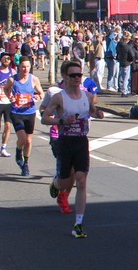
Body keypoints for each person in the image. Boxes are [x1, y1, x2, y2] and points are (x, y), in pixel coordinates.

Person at [41, 60, 106, 238]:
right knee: (64, 183)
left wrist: (97, 113)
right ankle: (56, 183)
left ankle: (78, 223)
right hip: (65, 142)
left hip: (81, 142)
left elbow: (92, 110)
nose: (77, 78)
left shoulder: (87, 96)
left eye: (79, 75)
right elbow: (44, 118)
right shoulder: (59, 97)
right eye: (73, 75)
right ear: (65, 77)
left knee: (81, 181)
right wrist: (61, 120)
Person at [4, 54, 44, 177]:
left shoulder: (33, 79)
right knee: (22, 139)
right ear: (19, 67)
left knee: (28, 140)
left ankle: (25, 163)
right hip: (16, 113)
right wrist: (10, 96)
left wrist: (38, 96)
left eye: (27, 67)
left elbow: (41, 93)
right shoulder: (13, 79)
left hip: (29, 112)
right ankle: (18, 151)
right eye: (23, 67)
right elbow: (6, 88)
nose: (25, 69)